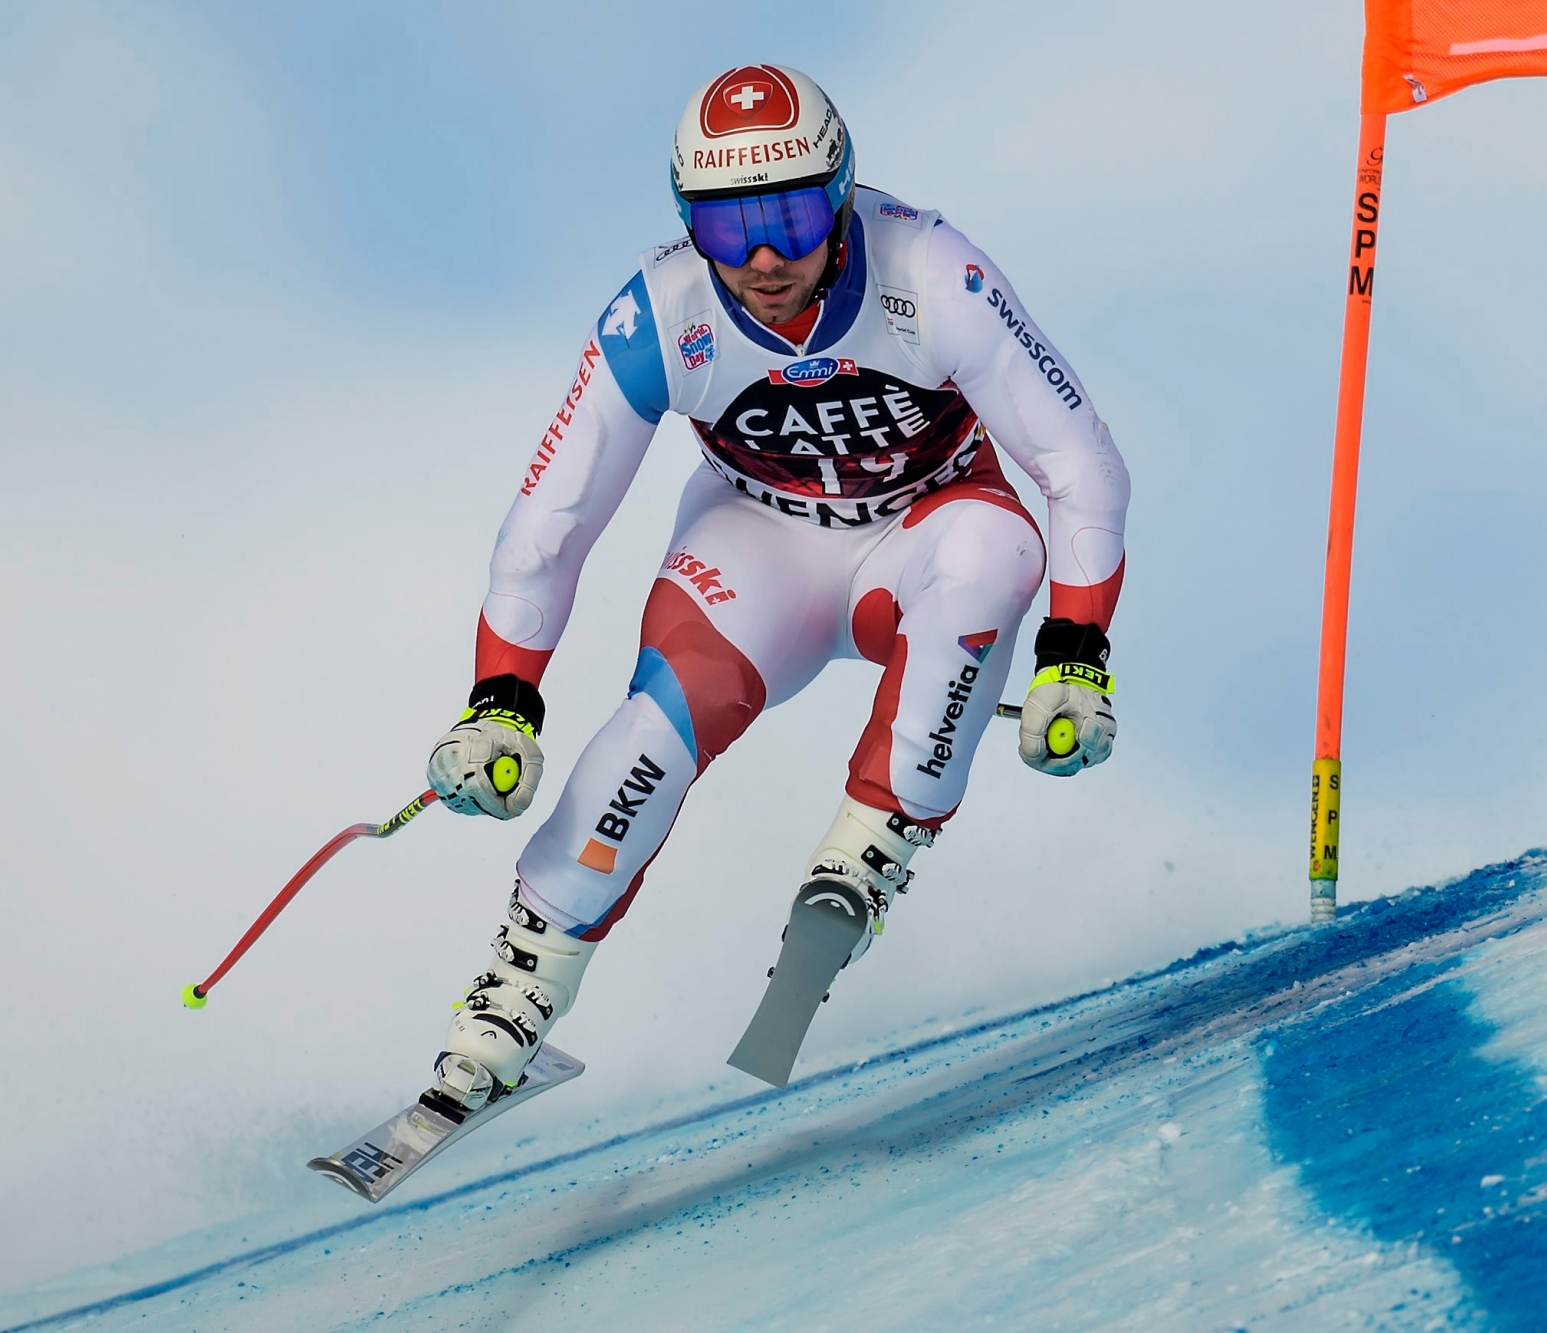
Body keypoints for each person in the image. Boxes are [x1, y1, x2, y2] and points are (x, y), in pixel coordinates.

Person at [420, 65, 1130, 1109]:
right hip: (761, 544)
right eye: (724, 229)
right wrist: (500, 702)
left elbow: (1080, 465)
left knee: (995, 554)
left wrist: (1076, 657)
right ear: (685, 225)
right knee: (661, 723)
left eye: (792, 219)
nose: (759, 259)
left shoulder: (930, 269)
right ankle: (524, 980)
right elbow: (551, 522)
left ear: (841, 193)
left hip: (923, 535)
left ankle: (868, 850)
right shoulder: (657, 311)